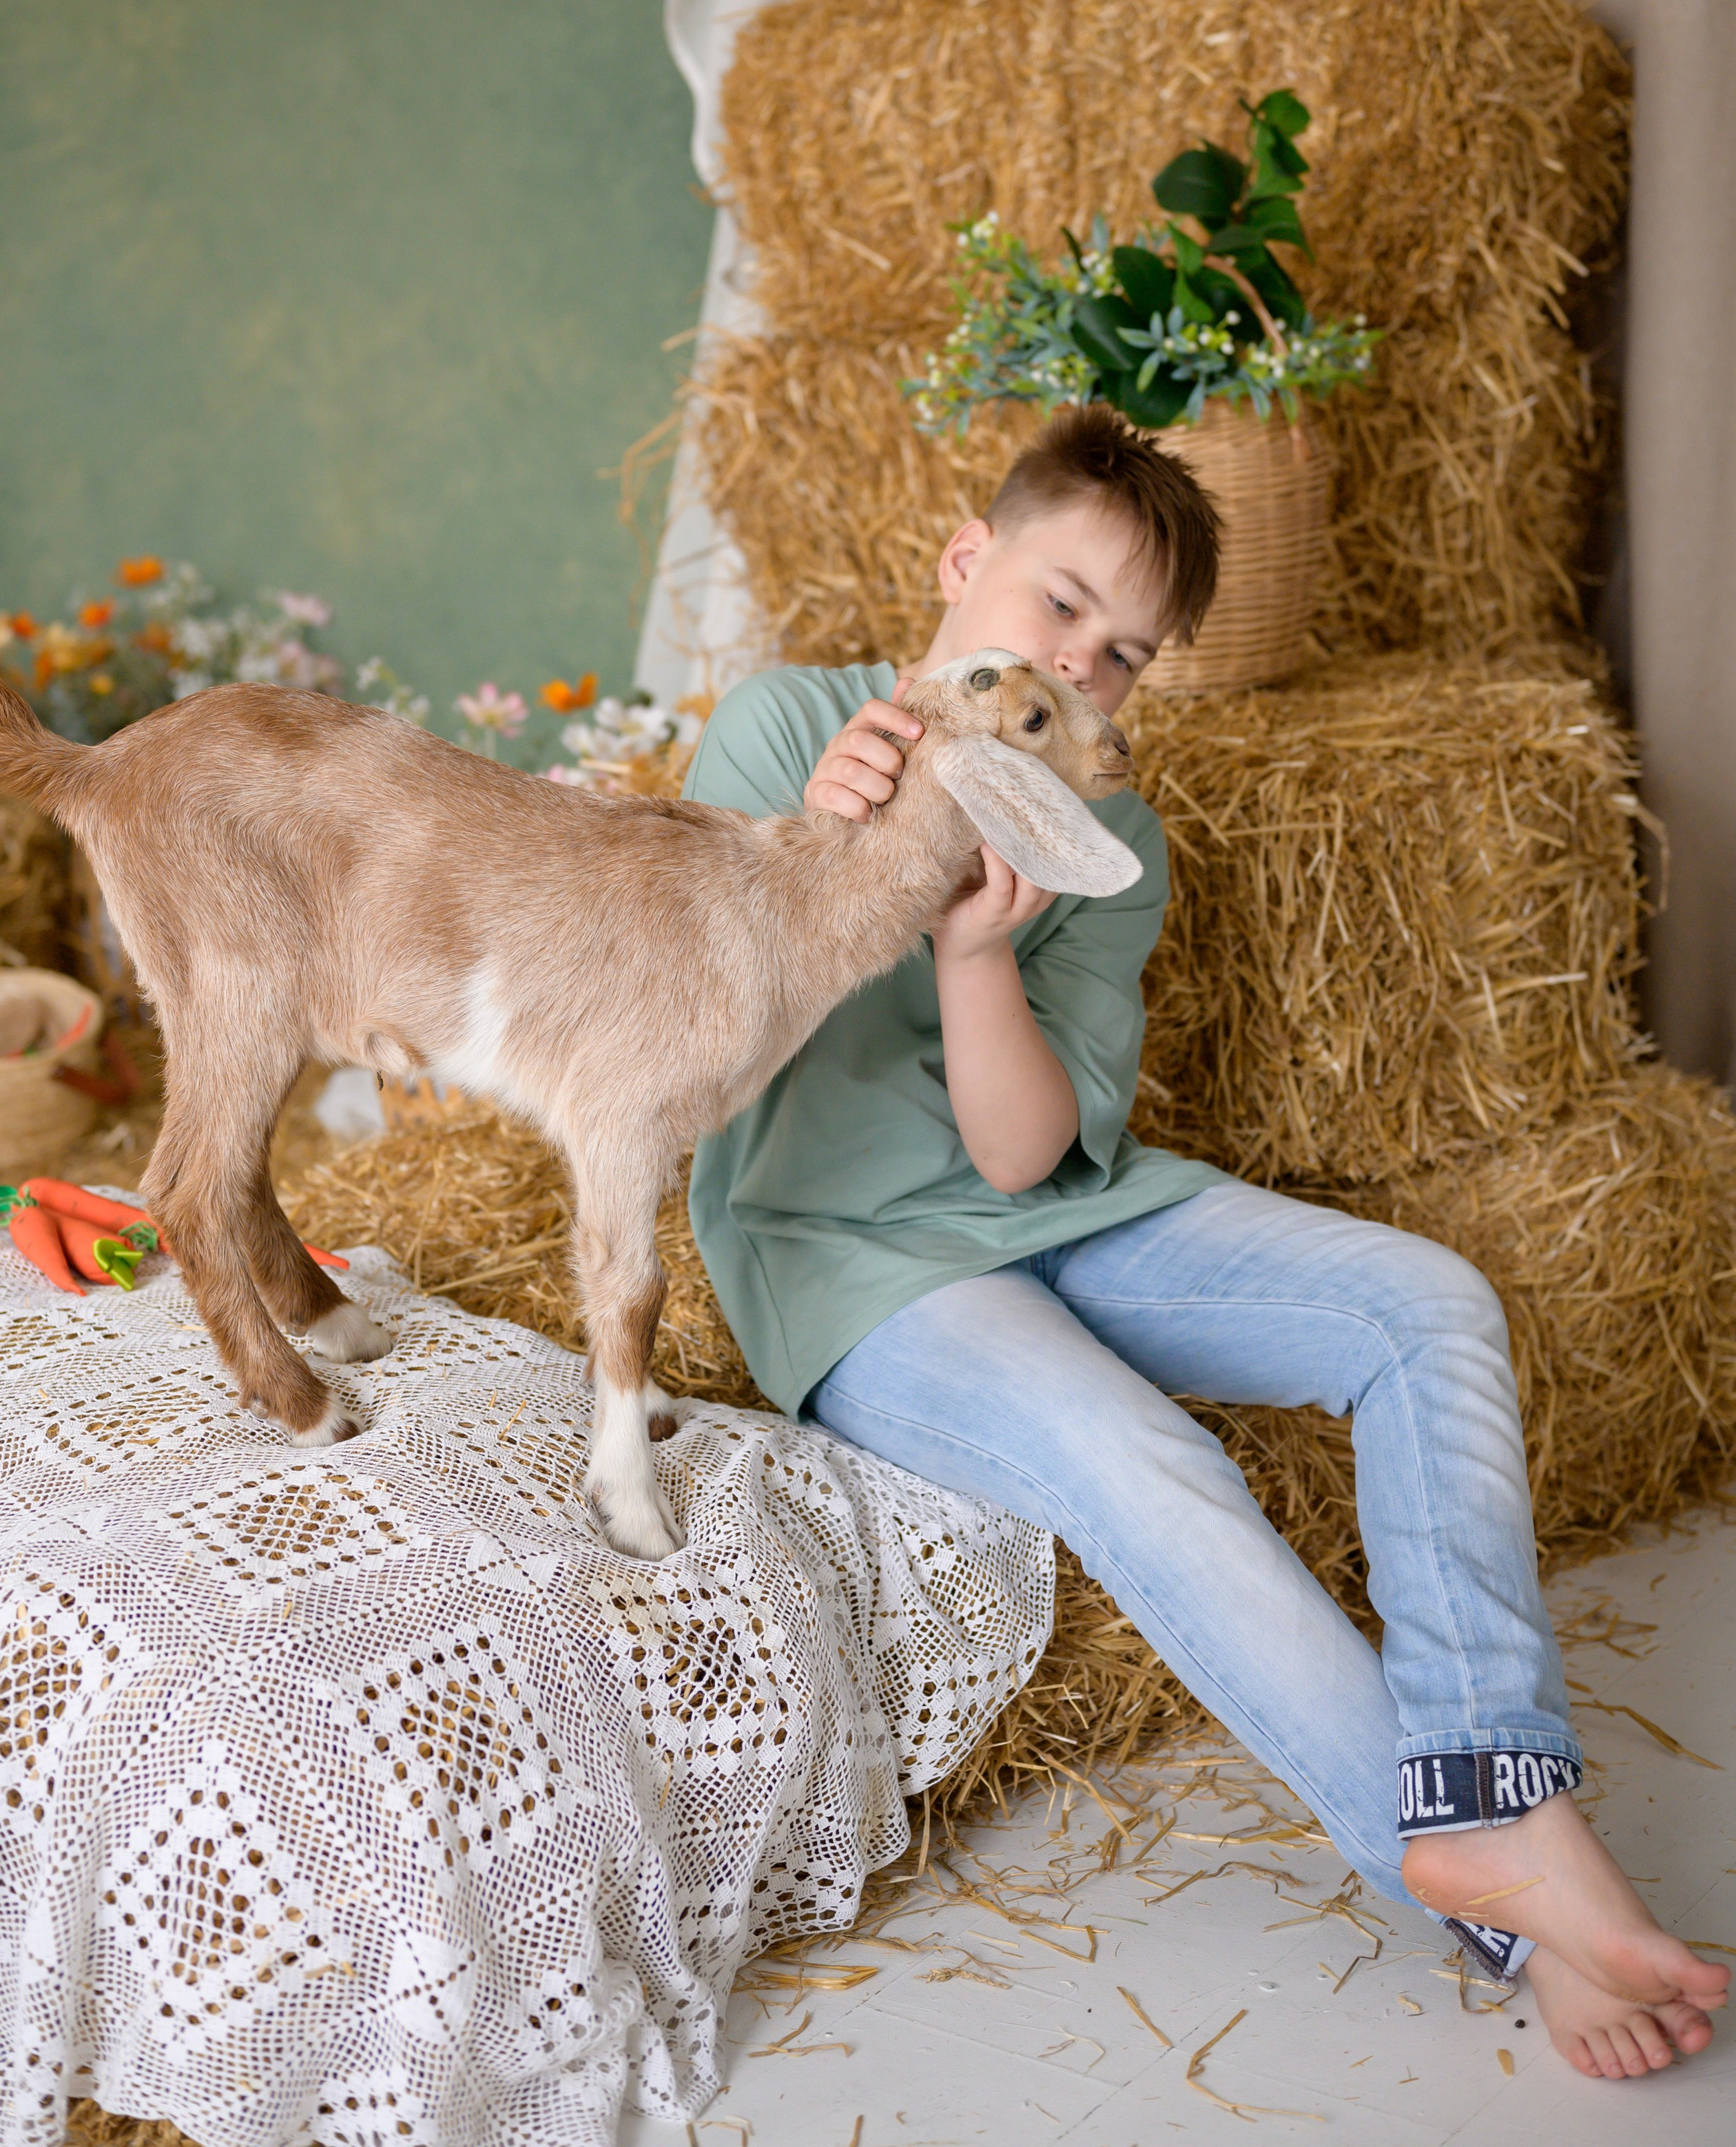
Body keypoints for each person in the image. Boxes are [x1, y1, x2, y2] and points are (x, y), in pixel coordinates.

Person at [681, 401, 1727, 2082]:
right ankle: (1509, 1897)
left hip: (1061, 1207)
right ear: (964, 566)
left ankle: (1486, 1797)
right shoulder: (785, 727)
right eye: (1056, 607)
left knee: (1425, 1306)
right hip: (852, 1254)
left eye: (1123, 655)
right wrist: (833, 847)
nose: (1080, 667)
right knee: (1142, 1458)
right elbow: (703, 1041)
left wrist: (972, 959)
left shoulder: (1112, 845)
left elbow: (1025, 1158)